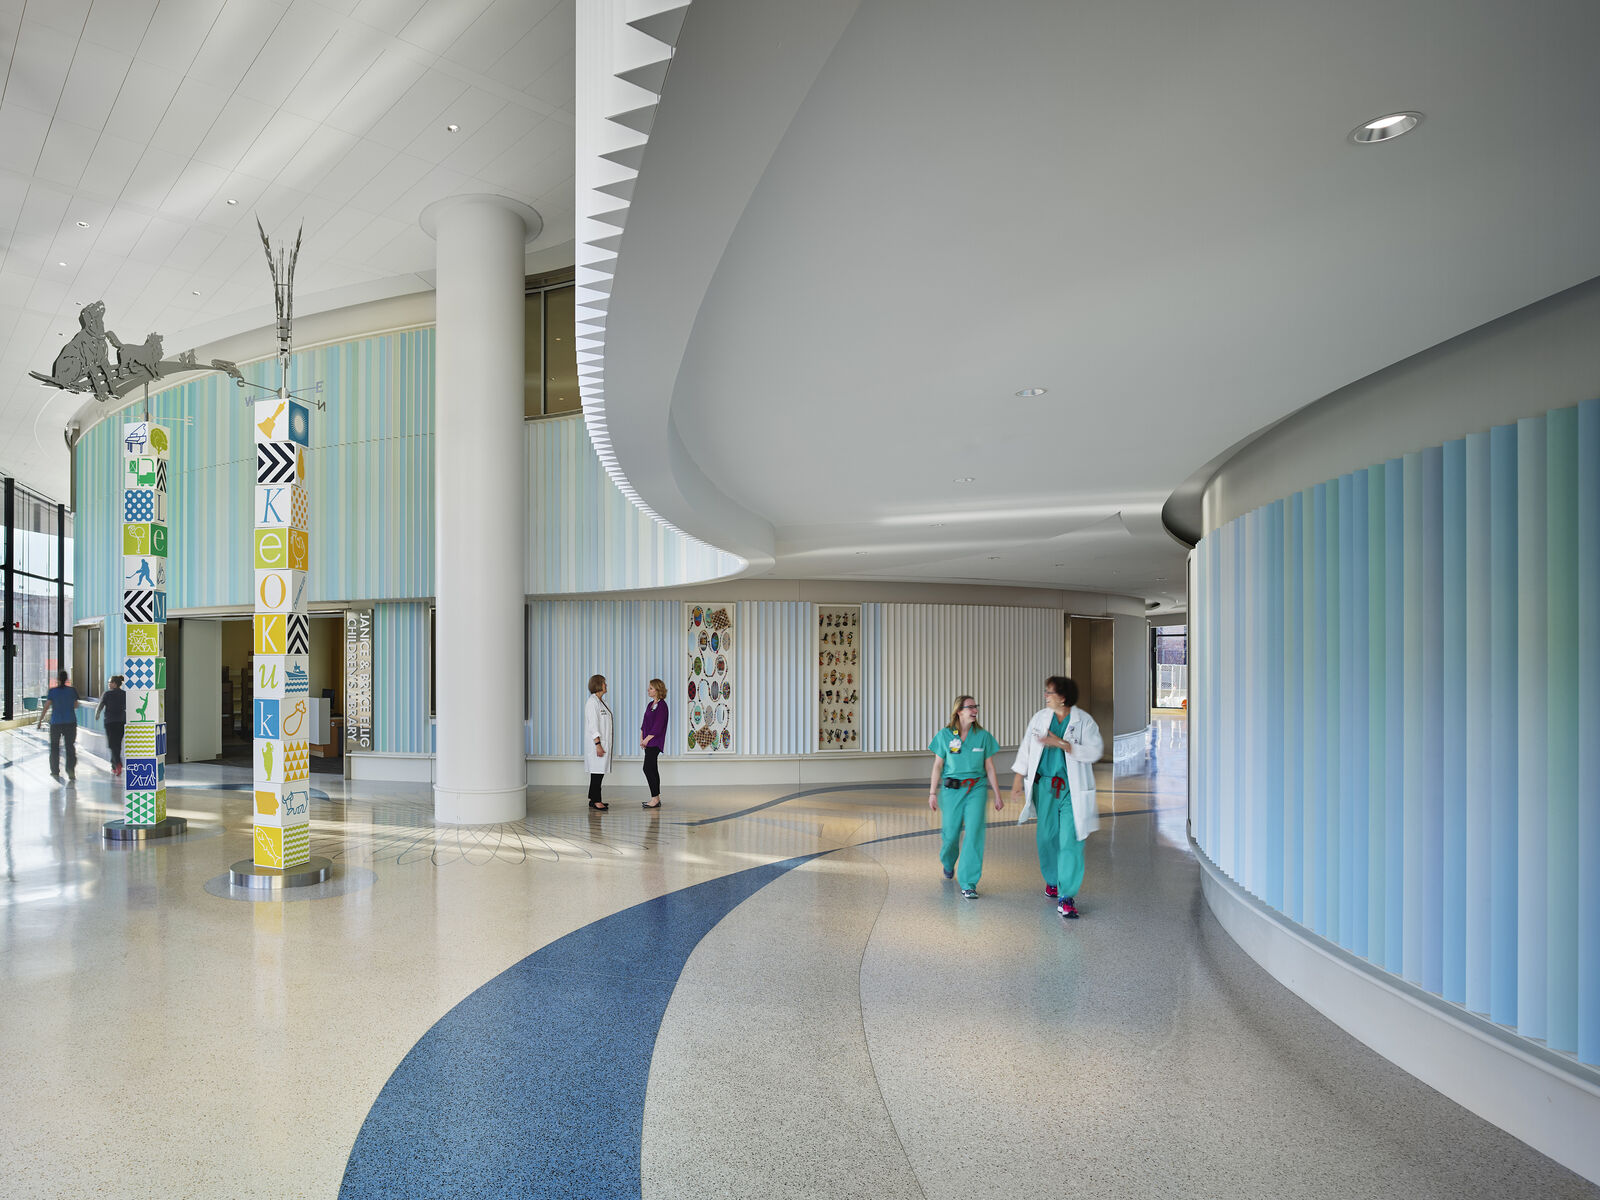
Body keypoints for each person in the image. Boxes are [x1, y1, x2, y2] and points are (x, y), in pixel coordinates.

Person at [1010, 676, 1103, 919]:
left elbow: (1095, 751)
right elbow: (1026, 748)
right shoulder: (1040, 718)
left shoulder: (1085, 722)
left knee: (1071, 840)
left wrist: (1061, 743)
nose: (1046, 696)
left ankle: (1067, 895)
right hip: (1045, 788)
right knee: (1047, 837)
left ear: (1062, 697)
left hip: (1072, 790)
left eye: (1049, 692)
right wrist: (1019, 778)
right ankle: (1052, 880)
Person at [927, 694, 1004, 899]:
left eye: (975, 707)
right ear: (958, 711)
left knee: (974, 834)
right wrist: (932, 792)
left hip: (977, 789)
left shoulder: (983, 736)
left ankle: (968, 882)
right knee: (951, 835)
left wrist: (997, 794)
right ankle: (948, 862)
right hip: (952, 790)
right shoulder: (945, 735)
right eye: (970, 707)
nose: (974, 710)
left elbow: (989, 766)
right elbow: (937, 766)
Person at [37, 670, 80, 783]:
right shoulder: (72, 690)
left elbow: (46, 706)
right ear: (66, 679)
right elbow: (76, 705)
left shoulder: (53, 691)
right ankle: (70, 770)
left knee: (54, 747)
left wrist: (40, 720)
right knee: (70, 746)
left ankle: (55, 770)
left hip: (56, 723)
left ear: (58, 679)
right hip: (70, 722)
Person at [584, 674, 613, 811]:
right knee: (597, 772)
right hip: (597, 744)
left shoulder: (602, 702)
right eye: (604, 683)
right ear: (598, 685)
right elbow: (593, 726)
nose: (606, 685)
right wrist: (598, 744)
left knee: (598, 772)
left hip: (603, 743)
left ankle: (592, 798)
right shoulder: (592, 702)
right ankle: (597, 801)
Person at [639, 678, 669, 809]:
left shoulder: (662, 705)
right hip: (648, 741)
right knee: (652, 769)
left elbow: (658, 726)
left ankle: (655, 798)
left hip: (654, 742)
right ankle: (656, 798)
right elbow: (644, 723)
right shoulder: (650, 705)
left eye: (651, 688)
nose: (648, 690)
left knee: (647, 768)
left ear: (658, 690)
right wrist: (642, 737)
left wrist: (647, 739)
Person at [96, 675, 127, 776]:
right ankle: (114, 765)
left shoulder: (107, 694)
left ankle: (117, 763)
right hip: (121, 721)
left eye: (110, 682)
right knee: (116, 744)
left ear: (115, 683)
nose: (108, 684)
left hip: (110, 722)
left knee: (112, 744)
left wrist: (97, 714)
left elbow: (100, 705)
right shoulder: (124, 694)